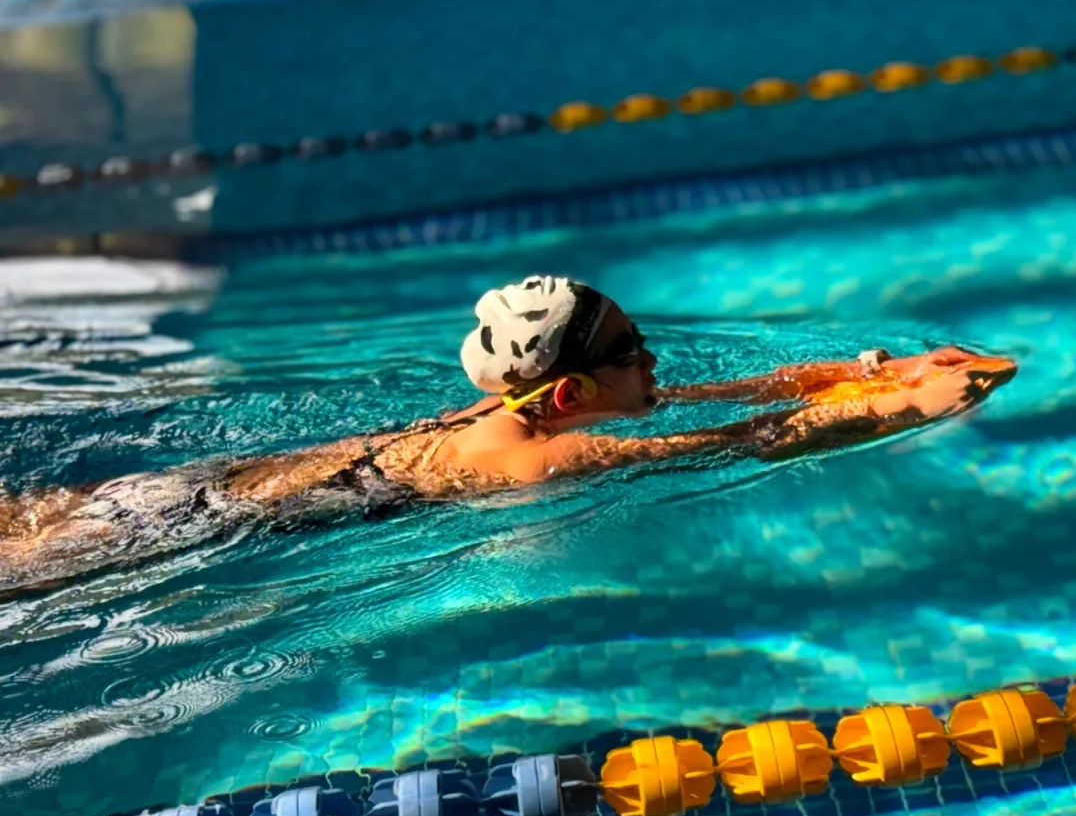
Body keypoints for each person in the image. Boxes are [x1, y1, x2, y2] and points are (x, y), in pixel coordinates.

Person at [0, 275, 1015, 585]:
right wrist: (917, 404)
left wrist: (858, 368)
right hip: (198, 531)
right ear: (568, 397)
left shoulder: (509, 408)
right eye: (632, 347)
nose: (655, 360)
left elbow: (738, 401)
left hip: (202, 483)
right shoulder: (563, 454)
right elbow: (759, 442)